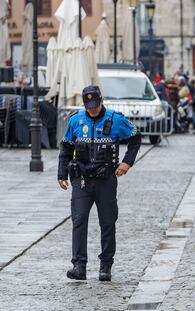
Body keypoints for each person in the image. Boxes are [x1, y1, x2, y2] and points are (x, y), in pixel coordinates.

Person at [58, 86, 141, 281]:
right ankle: (79, 266)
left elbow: (135, 138)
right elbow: (66, 149)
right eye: (88, 106)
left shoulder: (115, 119)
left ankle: (106, 266)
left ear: (101, 101)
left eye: (95, 105)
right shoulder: (76, 121)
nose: (92, 109)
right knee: (78, 221)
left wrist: (127, 162)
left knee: (108, 222)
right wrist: (61, 174)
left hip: (106, 179)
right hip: (82, 180)